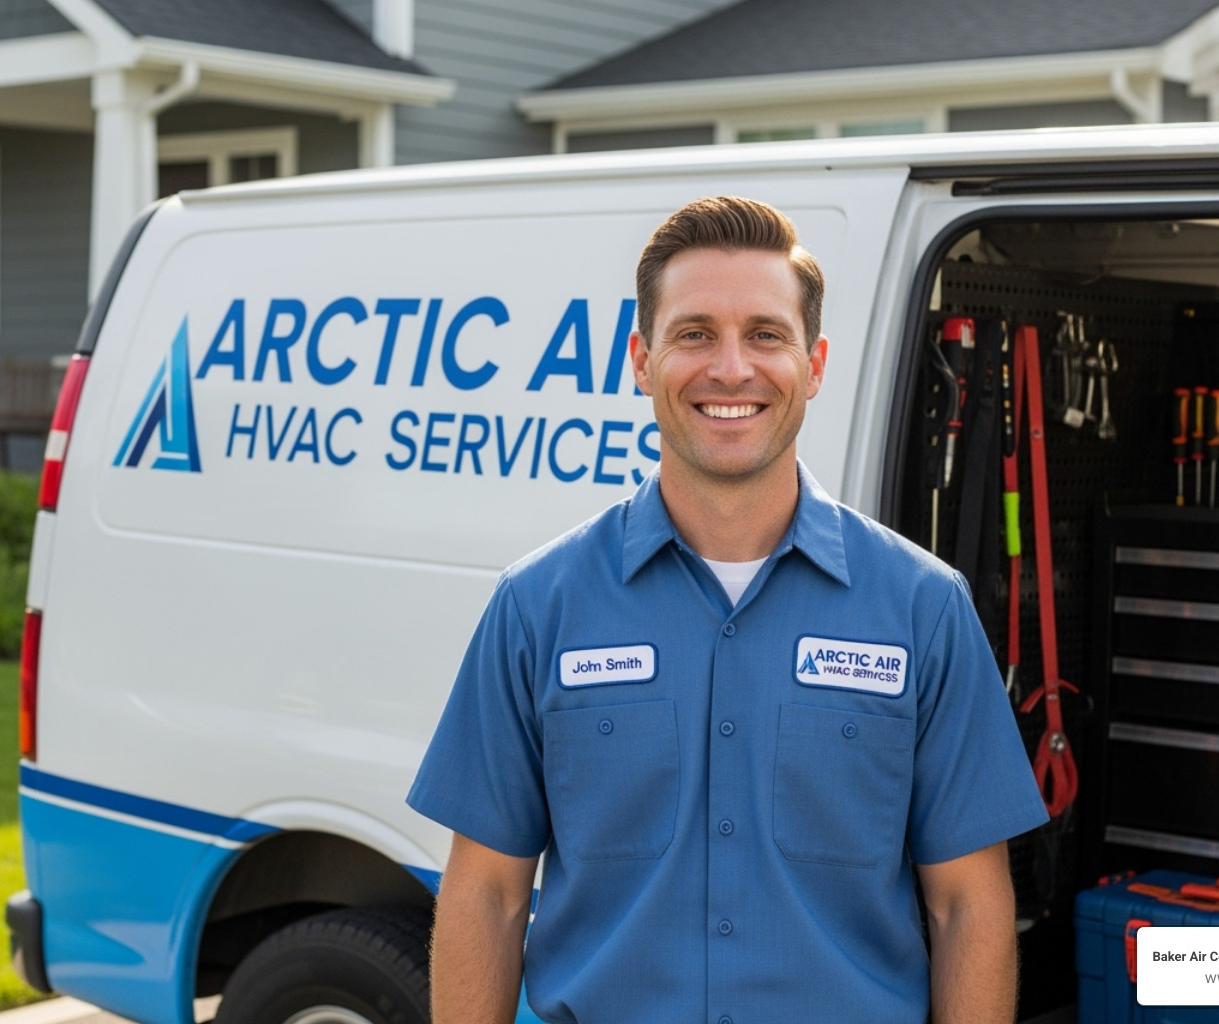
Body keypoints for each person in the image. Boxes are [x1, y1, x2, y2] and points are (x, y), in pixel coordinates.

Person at [406, 196, 1048, 1024]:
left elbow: (968, 906)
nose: (732, 369)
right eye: (695, 333)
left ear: (815, 364)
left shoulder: (924, 611)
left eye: (766, 335)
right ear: (642, 360)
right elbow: (487, 895)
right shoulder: (538, 608)